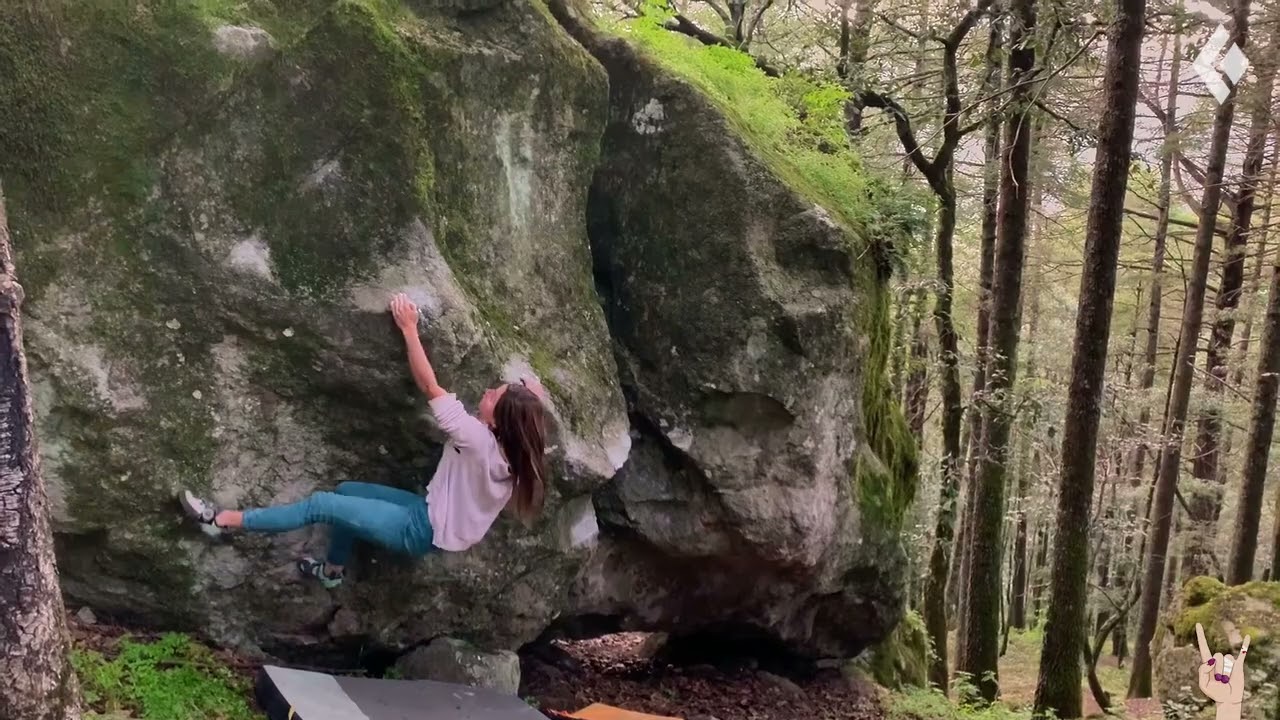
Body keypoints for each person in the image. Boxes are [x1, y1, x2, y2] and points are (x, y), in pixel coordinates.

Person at [178, 292, 549, 588]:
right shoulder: (517, 453)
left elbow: (428, 385)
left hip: (421, 527)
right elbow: (531, 414)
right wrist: (530, 393)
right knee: (345, 491)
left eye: (493, 397)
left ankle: (220, 520)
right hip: (432, 519)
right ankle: (333, 572)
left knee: (322, 503)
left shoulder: (475, 439)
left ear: (500, 421)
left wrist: (409, 329)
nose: (486, 392)